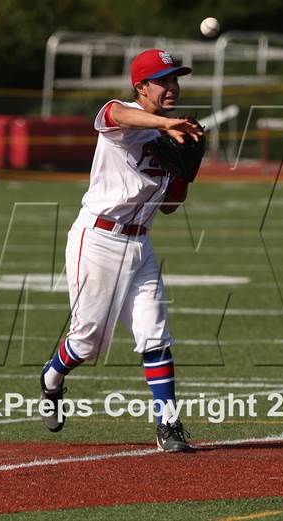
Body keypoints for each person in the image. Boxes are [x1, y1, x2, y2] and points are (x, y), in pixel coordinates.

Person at [40, 49, 203, 452]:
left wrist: (185, 171)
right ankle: (51, 378)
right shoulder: (125, 118)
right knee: (88, 342)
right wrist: (165, 124)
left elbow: (169, 206)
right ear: (141, 87)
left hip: (139, 243)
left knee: (154, 333)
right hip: (97, 239)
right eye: (163, 80)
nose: (172, 87)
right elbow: (115, 113)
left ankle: (169, 426)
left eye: (175, 80)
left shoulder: (172, 132)